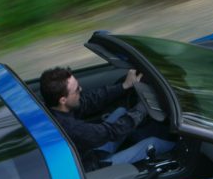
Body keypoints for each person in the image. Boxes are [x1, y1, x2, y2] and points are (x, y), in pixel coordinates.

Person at [39, 66, 175, 169]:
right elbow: (111, 132)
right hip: (95, 167)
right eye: (76, 90)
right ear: (63, 99)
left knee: (121, 111)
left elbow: (90, 100)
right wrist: (141, 109)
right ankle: (178, 146)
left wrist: (124, 86)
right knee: (153, 143)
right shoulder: (70, 128)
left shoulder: (55, 108)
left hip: (89, 151)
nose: (80, 89)